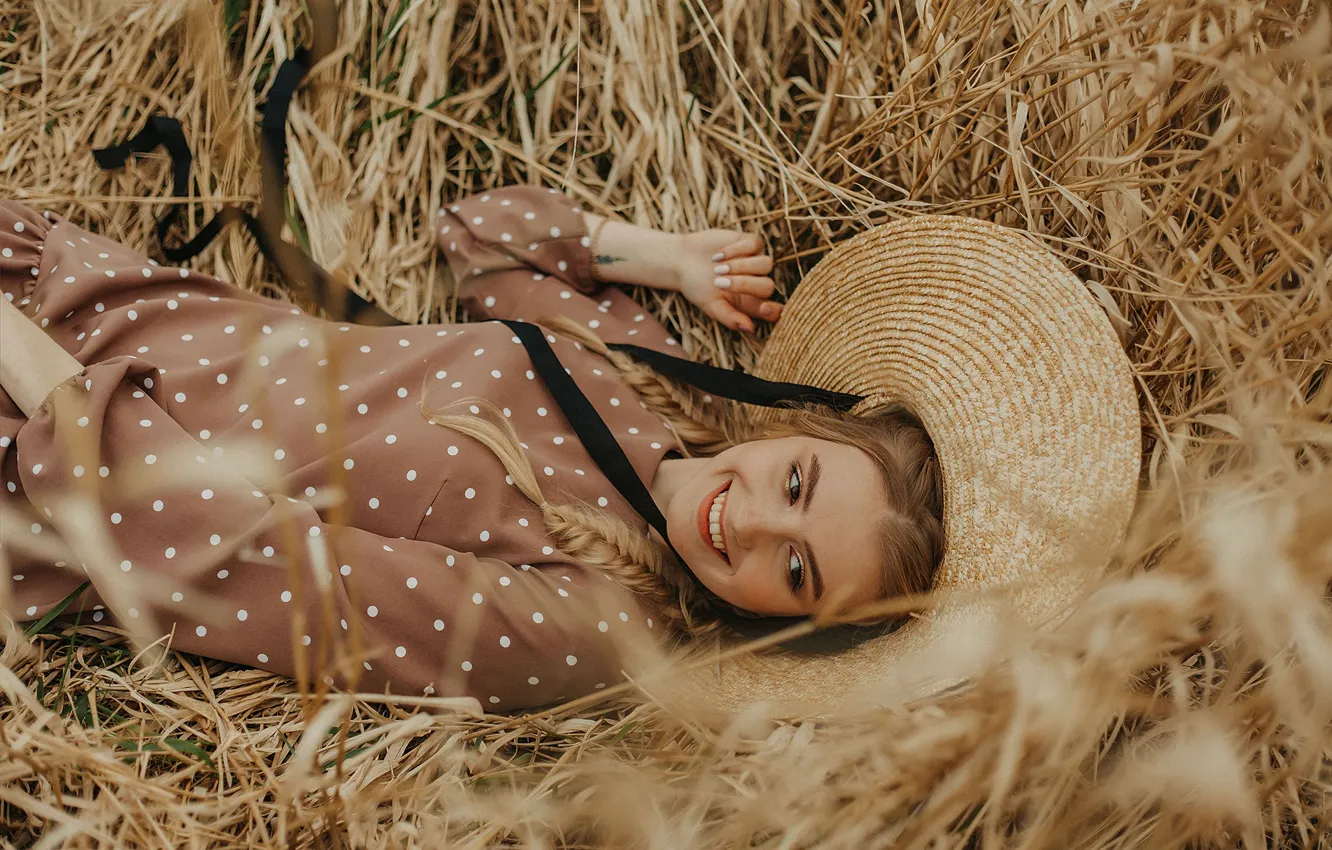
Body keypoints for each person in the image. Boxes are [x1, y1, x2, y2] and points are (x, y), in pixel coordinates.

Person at [0, 185, 944, 710]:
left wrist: (33, 371)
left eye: (796, 567)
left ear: (790, 625)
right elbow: (478, 237)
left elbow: (257, 565)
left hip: (48, 453)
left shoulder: (589, 622)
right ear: (795, 431)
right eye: (795, 482)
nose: (749, 518)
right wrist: (664, 260)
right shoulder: (657, 387)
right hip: (92, 298)